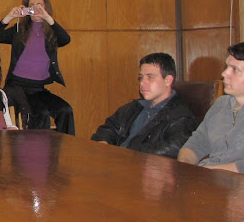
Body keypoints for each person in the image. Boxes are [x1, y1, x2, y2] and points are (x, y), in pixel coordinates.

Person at [0, 0, 75, 135]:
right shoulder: (19, 30)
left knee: (65, 110)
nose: (35, 8)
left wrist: (47, 18)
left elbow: (65, 39)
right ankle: (39, 148)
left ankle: (66, 145)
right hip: (18, 86)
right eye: (31, 5)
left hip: (39, 88)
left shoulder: (51, 33)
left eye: (39, 5)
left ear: (46, 8)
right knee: (41, 113)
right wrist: (10, 16)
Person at [91, 53, 198, 158]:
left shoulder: (181, 117)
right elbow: (108, 128)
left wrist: (127, 153)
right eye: (141, 77)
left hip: (142, 166)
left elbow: (173, 149)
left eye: (150, 77)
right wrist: (103, 142)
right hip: (116, 161)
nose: (142, 83)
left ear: (168, 80)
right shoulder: (134, 107)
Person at [178, 42, 244, 173]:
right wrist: (184, 168)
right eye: (226, 66)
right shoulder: (221, 104)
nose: (224, 73)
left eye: (235, 69)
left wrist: (206, 172)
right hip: (206, 176)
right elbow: (196, 143)